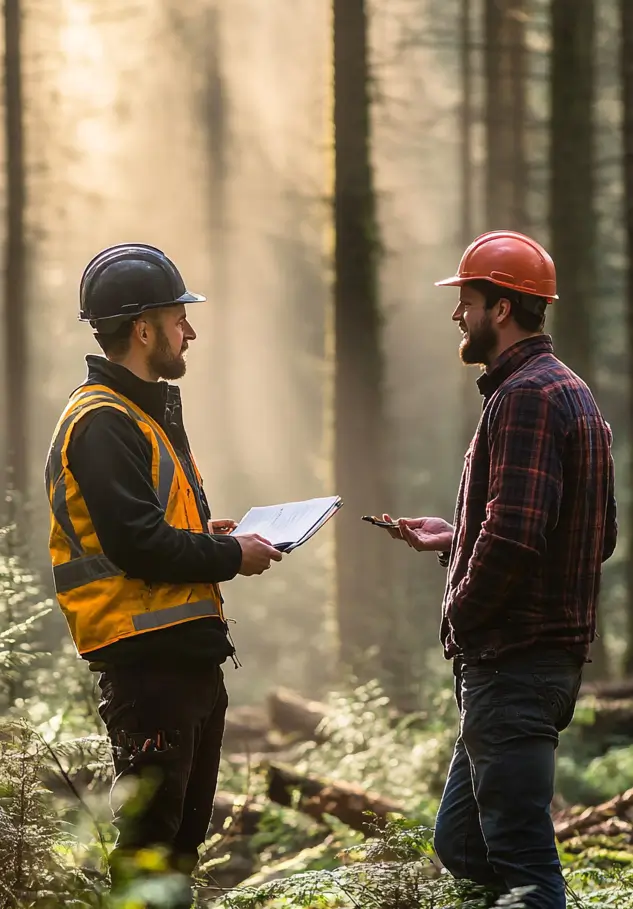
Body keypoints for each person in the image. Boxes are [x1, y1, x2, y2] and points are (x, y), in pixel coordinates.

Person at [382, 230, 617, 909]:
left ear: (503, 308)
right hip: (532, 667)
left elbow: (514, 540)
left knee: (522, 863)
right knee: (461, 844)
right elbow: (592, 533)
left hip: (512, 666)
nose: (458, 314)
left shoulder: (524, 398)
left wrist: (458, 611)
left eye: (469, 300)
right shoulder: (570, 393)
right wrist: (458, 539)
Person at [44, 243, 283, 906]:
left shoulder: (141, 416)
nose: (191, 332)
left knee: (176, 851)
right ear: (143, 328)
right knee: (150, 853)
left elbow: (150, 530)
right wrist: (232, 557)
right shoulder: (101, 422)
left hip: (183, 661)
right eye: (180, 318)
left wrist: (210, 540)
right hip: (148, 667)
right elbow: (138, 545)